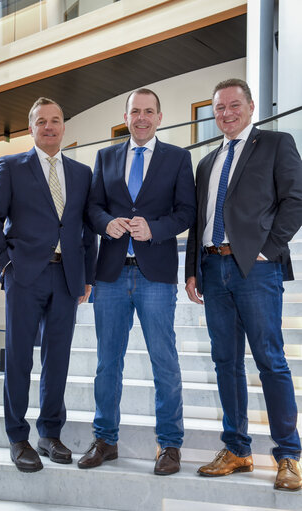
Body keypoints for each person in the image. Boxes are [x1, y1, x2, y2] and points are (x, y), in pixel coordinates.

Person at [185, 78, 302, 491]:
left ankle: (289, 455)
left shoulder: (275, 143)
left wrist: (268, 250)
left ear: (251, 107)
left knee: (270, 360)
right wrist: (192, 270)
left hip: (256, 270)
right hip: (213, 270)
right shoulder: (207, 162)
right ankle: (237, 448)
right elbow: (200, 219)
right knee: (226, 363)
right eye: (219, 108)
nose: (226, 113)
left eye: (234, 105)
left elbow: (296, 199)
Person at [77, 88, 196, 475]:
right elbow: (91, 207)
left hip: (156, 276)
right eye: (135, 112)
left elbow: (186, 213)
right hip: (110, 274)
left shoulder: (178, 158)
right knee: (107, 363)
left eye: (149, 112)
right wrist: (105, 223)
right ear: (126, 117)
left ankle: (170, 445)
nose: (141, 118)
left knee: (165, 361)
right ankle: (105, 440)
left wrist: (155, 229)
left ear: (160, 117)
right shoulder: (105, 156)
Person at [0, 97, 97, 473]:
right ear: (31, 128)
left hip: (66, 277)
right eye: (41, 121)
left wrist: (87, 277)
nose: (49, 127)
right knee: (19, 359)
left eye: (56, 120)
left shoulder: (81, 174)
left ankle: (49, 432)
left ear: (64, 127)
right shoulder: (11, 167)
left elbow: (86, 231)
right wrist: (5, 265)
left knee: (57, 359)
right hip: (24, 277)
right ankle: (18, 436)